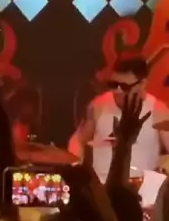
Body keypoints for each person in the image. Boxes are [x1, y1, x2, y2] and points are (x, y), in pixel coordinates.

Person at [68, 54, 169, 182]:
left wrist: (161, 175)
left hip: (143, 188)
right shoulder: (98, 105)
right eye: (114, 84)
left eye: (125, 87)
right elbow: (78, 140)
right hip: (101, 187)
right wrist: (76, 167)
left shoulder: (158, 110)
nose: (118, 91)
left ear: (142, 83)